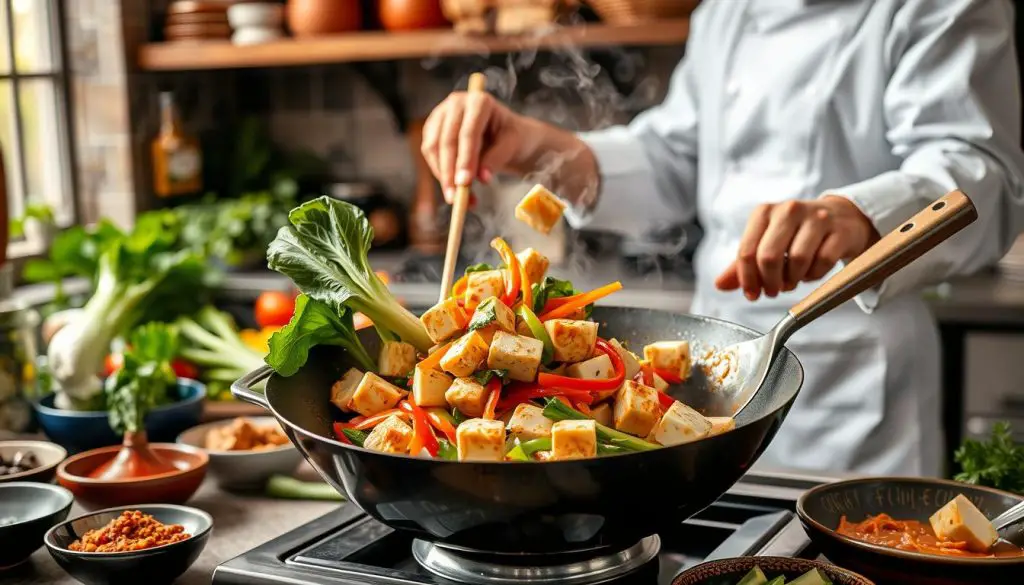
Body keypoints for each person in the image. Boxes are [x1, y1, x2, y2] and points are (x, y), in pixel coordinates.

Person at [420, 0, 1024, 476]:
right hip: (713, 377)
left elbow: (983, 173)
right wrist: (534, 144)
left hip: (851, 392)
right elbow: (672, 160)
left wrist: (854, 215)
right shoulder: (727, 11)